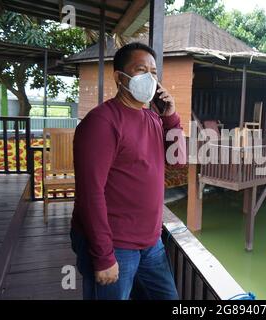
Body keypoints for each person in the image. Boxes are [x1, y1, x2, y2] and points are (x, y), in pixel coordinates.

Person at [70, 42, 185, 300]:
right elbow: (90, 194)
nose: (150, 78)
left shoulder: (154, 119)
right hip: (115, 246)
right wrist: (103, 256)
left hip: (151, 242)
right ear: (119, 77)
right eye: (141, 69)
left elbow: (177, 161)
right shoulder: (102, 122)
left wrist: (171, 117)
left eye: (154, 72)